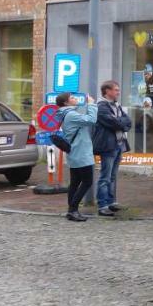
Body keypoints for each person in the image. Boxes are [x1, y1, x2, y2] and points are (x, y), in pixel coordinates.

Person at [93, 81, 132, 216]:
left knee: (113, 176)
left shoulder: (116, 106)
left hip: (119, 144)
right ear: (107, 91)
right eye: (116, 90)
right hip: (108, 146)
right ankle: (102, 205)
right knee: (105, 176)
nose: (118, 92)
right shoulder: (101, 107)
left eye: (118, 90)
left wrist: (121, 123)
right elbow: (113, 123)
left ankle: (111, 202)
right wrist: (121, 123)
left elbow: (128, 121)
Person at [58, 92, 98, 222]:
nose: (75, 99)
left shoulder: (66, 114)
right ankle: (73, 209)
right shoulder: (71, 115)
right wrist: (91, 105)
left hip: (75, 153)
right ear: (66, 103)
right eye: (72, 98)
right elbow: (91, 120)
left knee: (75, 182)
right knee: (87, 181)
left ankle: (72, 209)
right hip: (81, 153)